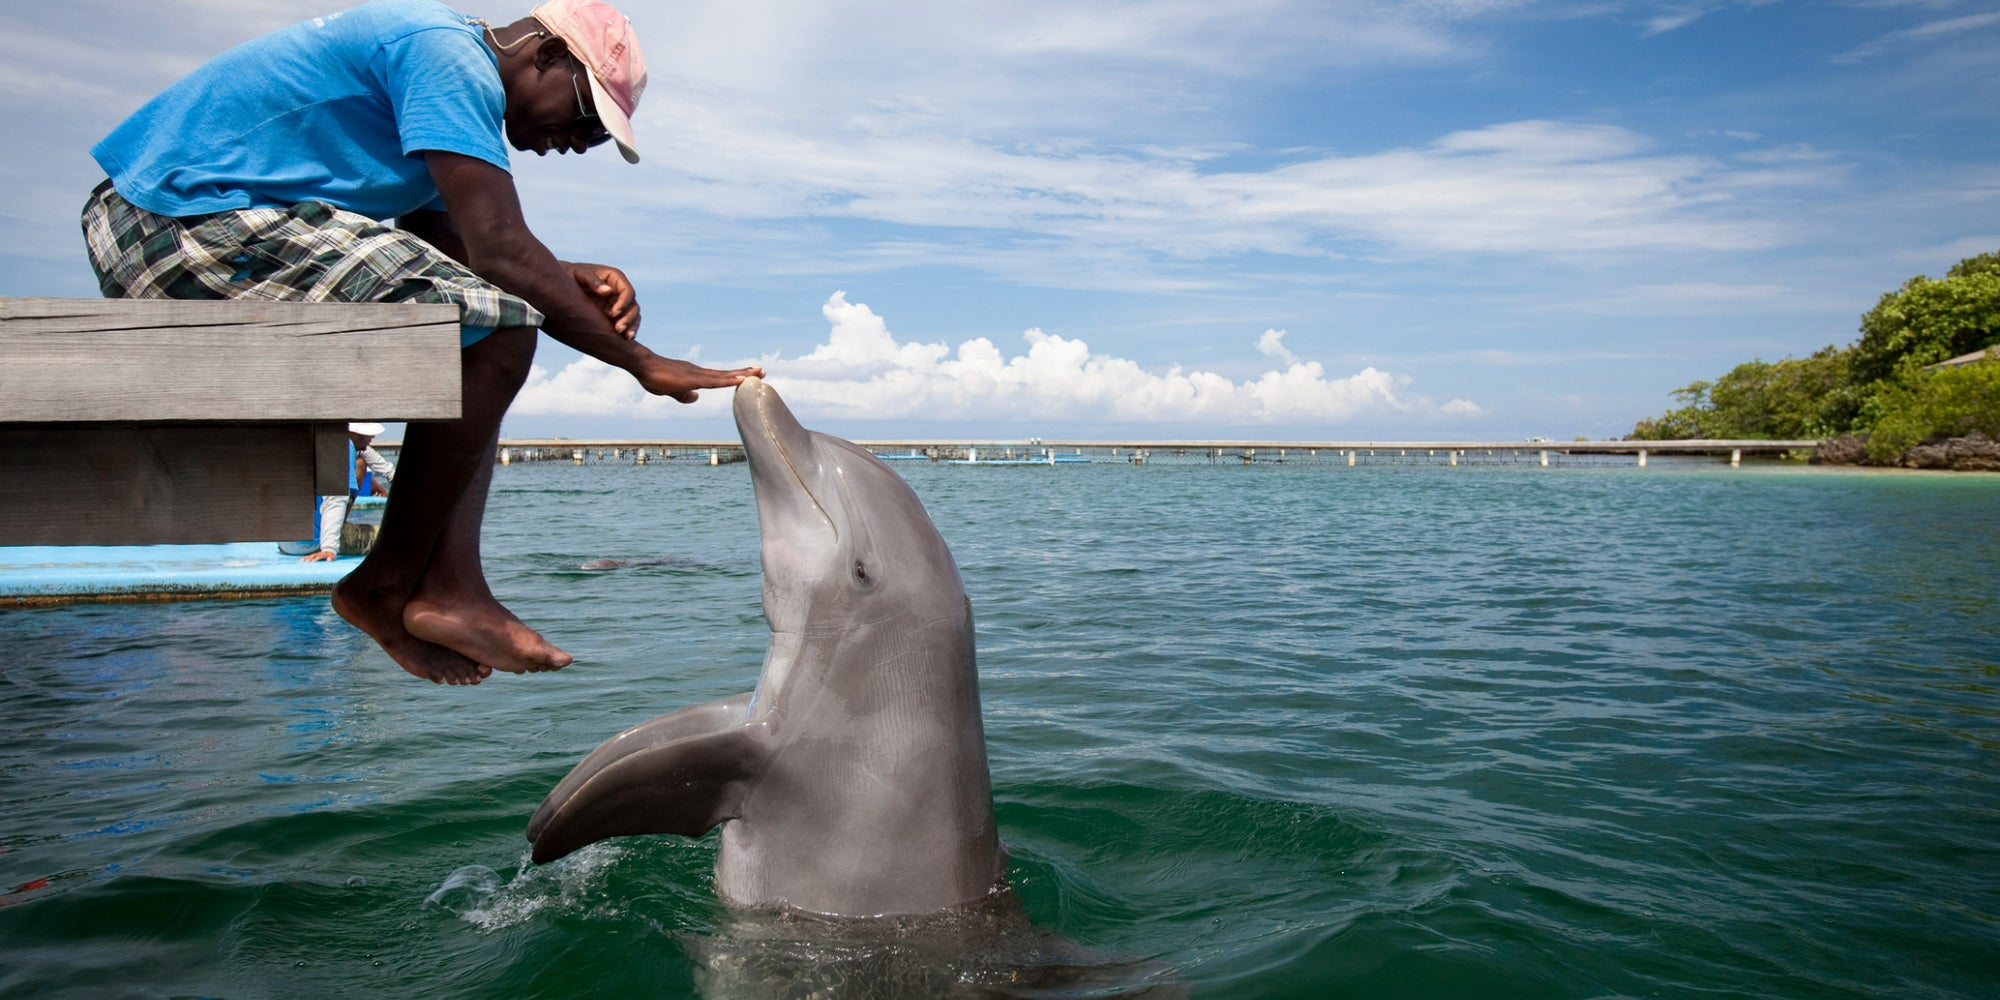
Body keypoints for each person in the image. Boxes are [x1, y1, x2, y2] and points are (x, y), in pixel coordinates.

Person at [81, 0, 762, 685]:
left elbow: (451, 244)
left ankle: (446, 586)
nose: (576, 143)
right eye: (585, 117)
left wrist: (565, 274)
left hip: (189, 219)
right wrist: (643, 363)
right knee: (501, 324)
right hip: (174, 220)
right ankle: (395, 585)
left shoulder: (444, 76)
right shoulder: (446, 57)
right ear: (547, 55)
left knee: (494, 316)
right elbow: (498, 252)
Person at [300, 423, 398, 563]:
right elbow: (336, 497)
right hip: (314, 543)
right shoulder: (342, 447)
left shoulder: (323, 440)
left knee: (360, 464)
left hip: (288, 542)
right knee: (400, 538)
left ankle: (337, 529)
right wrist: (329, 547)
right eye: (369, 435)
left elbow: (388, 470)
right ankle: (335, 535)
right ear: (356, 434)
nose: (373, 437)